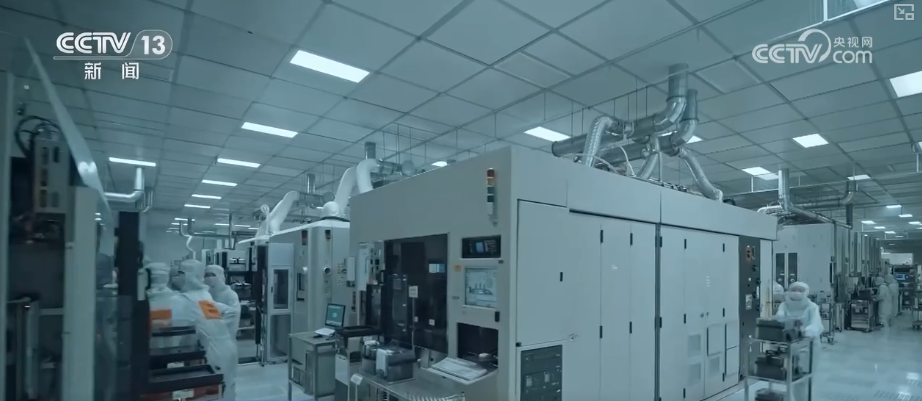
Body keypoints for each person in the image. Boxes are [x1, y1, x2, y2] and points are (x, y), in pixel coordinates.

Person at [174, 259, 239, 400]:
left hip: (214, 351)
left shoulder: (188, 299)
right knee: (224, 388)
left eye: (180, 273)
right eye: (206, 275)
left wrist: (218, 330)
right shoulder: (204, 296)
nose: (177, 278)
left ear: (189, 276)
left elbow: (233, 313)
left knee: (220, 390)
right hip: (221, 349)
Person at [775, 281, 823, 401]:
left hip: (809, 347)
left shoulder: (811, 307)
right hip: (790, 346)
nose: (796, 293)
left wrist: (804, 332)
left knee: (803, 378)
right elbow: (779, 319)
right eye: (794, 290)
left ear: (806, 292)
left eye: (800, 290)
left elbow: (816, 325)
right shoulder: (784, 305)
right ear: (788, 291)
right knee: (789, 378)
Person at [204, 264, 241, 339]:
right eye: (206, 275)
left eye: (213, 275)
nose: (209, 278)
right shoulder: (205, 293)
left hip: (225, 337)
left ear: (220, 276)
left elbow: (234, 315)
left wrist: (213, 326)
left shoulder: (230, 294)